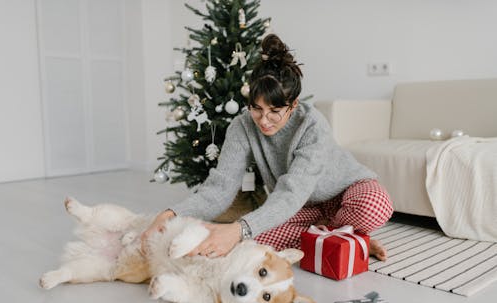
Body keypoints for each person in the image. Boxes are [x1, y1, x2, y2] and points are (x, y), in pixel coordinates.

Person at [142, 34, 393, 261]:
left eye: (275, 111)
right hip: (305, 209)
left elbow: (292, 192)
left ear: (292, 105)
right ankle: (346, 240)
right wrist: (170, 214)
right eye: (257, 108)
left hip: (347, 193)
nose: (263, 120)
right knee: (249, 243)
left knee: (374, 206)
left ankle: (341, 237)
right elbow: (220, 189)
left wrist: (237, 228)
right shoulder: (241, 127)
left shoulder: (313, 125)